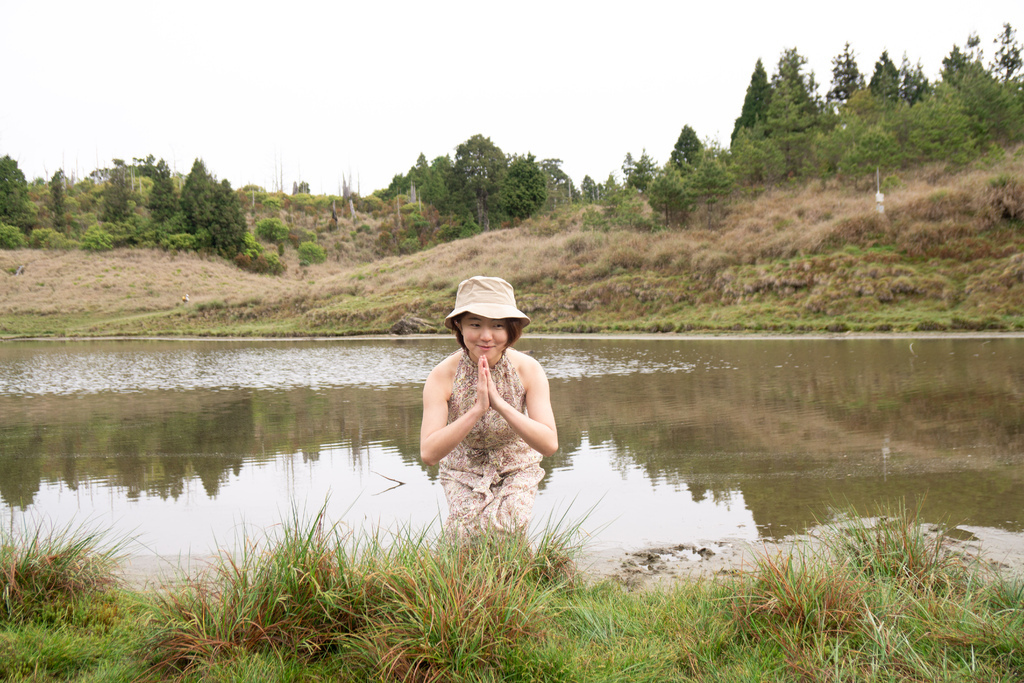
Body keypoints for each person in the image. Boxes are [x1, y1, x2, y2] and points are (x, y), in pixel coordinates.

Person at [420, 276, 558, 537]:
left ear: (511, 330)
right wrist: (477, 410)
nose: (486, 336)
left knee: (508, 529)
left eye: (497, 325)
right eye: (475, 324)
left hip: (516, 465)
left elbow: (549, 444)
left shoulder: (528, 370)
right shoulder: (442, 376)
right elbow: (428, 453)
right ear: (459, 326)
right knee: (465, 537)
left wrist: (500, 405)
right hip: (463, 467)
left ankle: (523, 576)